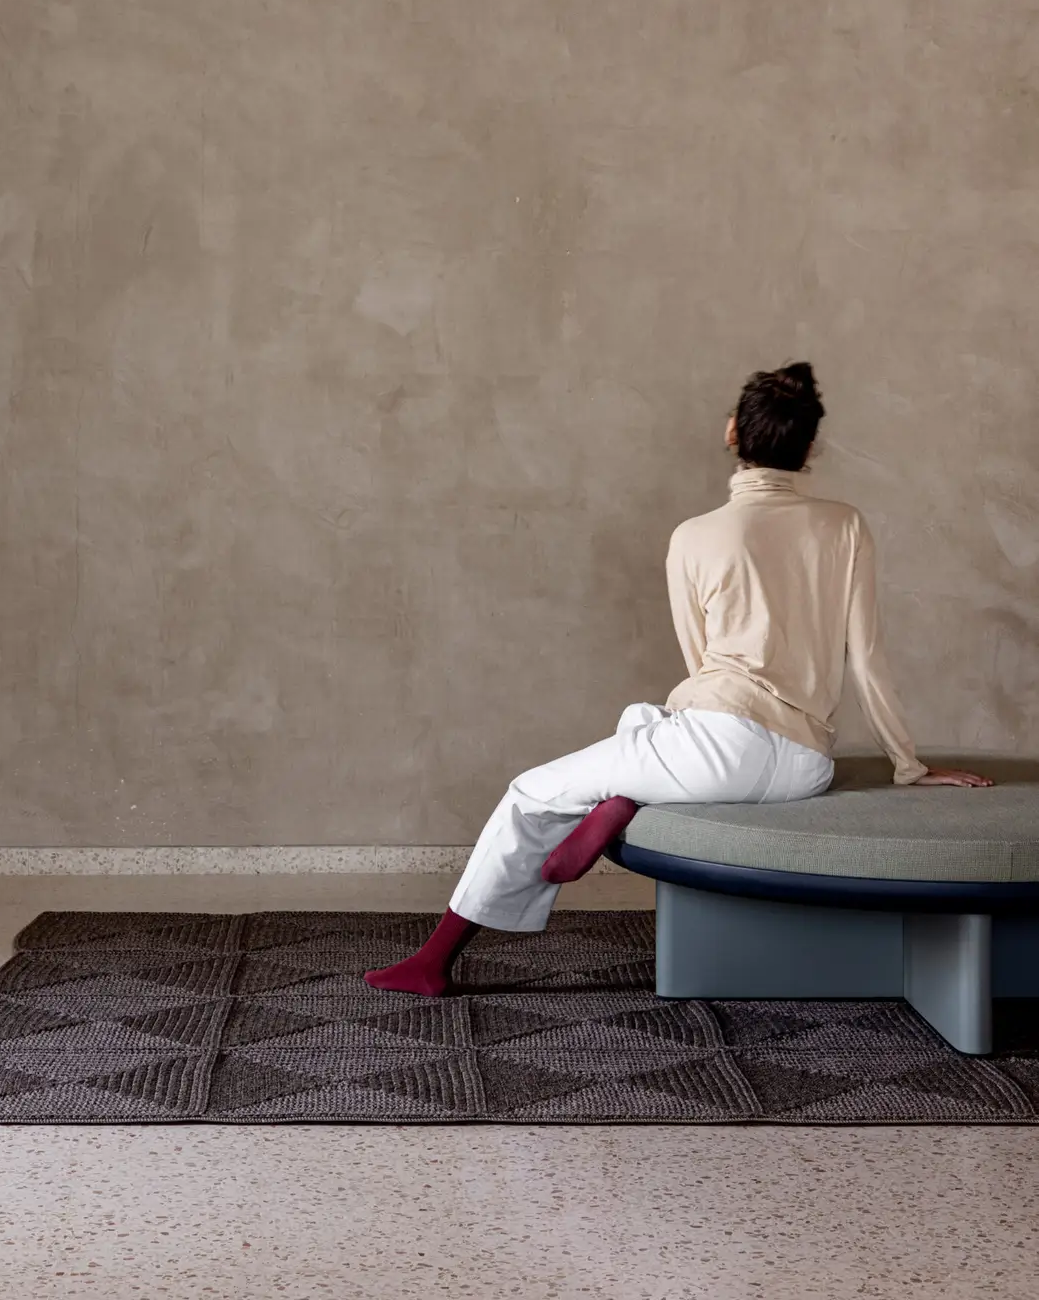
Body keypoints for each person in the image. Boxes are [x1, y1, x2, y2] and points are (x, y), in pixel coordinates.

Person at [365, 361, 992, 997]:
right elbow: (867, 655)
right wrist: (908, 764)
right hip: (807, 764)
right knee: (644, 721)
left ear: (732, 432)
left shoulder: (694, 536)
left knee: (531, 792)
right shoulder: (845, 524)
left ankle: (433, 962)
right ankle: (624, 797)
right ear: (809, 448)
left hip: (721, 746)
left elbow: (701, 664)